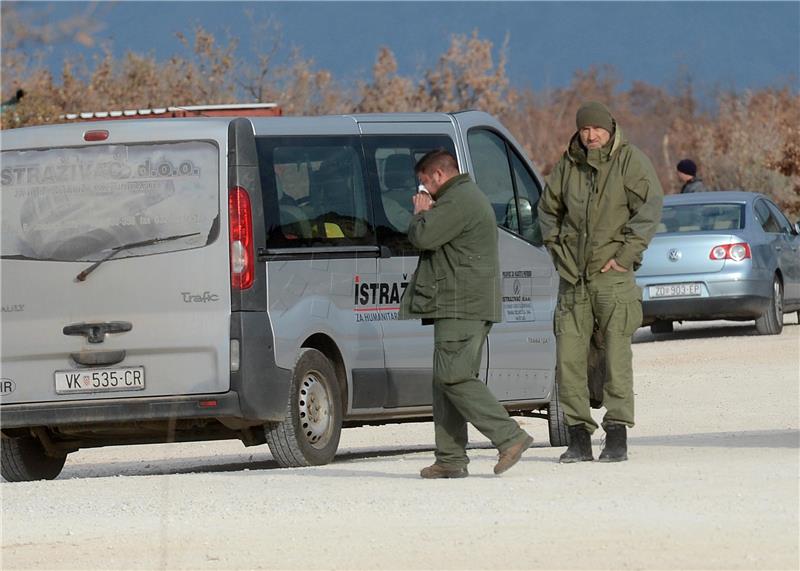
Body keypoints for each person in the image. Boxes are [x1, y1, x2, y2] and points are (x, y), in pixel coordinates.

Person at [538, 102, 663, 463]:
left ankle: (617, 434)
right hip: (572, 280)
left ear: (610, 128)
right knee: (569, 360)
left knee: (615, 357)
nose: (591, 136)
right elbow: (548, 211)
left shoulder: (630, 161)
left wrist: (625, 257)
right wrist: (558, 251)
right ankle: (578, 438)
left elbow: (649, 209)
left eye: (597, 129)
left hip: (613, 280)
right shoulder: (568, 165)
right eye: (584, 130)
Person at [399, 149, 534, 479]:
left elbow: (424, 236)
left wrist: (420, 214)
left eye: (424, 183)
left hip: (461, 304)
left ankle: (509, 437)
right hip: (460, 303)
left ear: (440, 176)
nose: (423, 191)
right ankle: (450, 458)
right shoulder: (463, 197)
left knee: (453, 376)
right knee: (445, 381)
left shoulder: (458, 200)